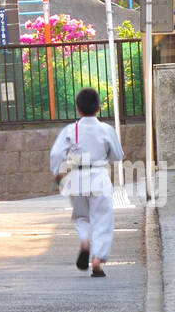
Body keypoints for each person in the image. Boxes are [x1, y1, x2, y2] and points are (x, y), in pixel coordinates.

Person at [49, 87, 124, 278]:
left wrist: (57, 173)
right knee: (102, 219)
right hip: (99, 176)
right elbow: (117, 155)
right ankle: (97, 259)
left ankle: (84, 241)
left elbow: (56, 153)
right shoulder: (106, 129)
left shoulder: (71, 129)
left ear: (78, 109)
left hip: (76, 178)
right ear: (98, 108)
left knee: (82, 216)